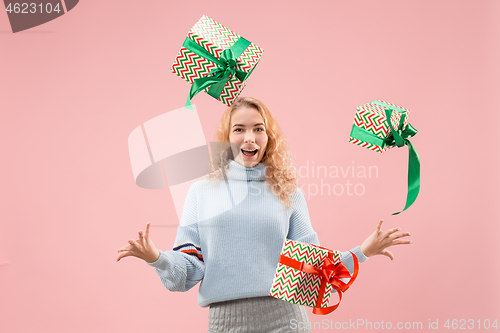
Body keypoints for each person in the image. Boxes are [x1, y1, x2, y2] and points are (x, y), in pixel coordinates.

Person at [116, 97, 412, 333]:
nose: (250, 138)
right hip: (225, 324)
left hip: (286, 321)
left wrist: (363, 251)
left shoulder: (288, 192)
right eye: (239, 129)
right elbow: (188, 271)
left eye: (258, 128)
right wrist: (156, 257)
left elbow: (313, 268)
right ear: (226, 136)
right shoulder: (202, 192)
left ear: (269, 137)